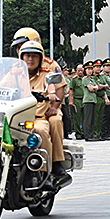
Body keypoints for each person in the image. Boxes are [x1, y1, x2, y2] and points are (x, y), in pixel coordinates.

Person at [19, 40, 70, 185]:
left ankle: (48, 169)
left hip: (39, 116)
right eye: (27, 56)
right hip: (16, 118)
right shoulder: (14, 74)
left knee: (43, 128)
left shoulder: (47, 72)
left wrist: (53, 101)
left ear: (40, 58)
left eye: (34, 56)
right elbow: (0, 86)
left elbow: (55, 87)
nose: (30, 59)